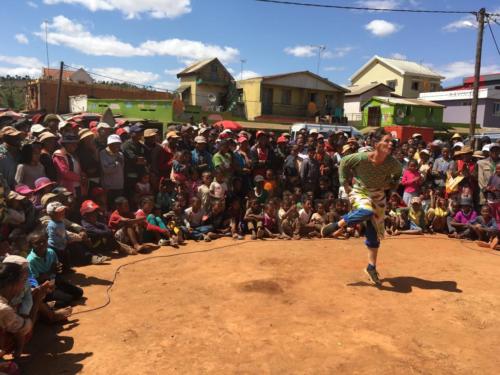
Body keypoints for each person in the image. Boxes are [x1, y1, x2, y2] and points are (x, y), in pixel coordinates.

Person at [322, 129, 402, 286]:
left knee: (373, 234)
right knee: (366, 211)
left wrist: (391, 185)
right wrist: (345, 184)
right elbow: (344, 162)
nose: (390, 143)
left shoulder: (393, 164)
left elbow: (398, 175)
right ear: (375, 144)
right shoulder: (361, 158)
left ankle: (371, 267)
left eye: (391, 140)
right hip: (360, 191)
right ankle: (336, 225)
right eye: (386, 140)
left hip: (378, 195)